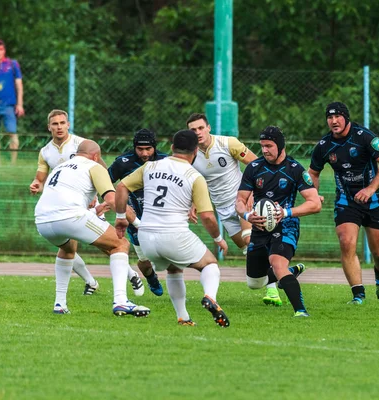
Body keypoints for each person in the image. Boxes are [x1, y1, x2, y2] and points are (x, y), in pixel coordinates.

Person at [115, 129, 230, 327]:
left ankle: (183, 317)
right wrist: (218, 238)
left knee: (174, 269)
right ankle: (210, 297)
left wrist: (120, 218)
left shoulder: (150, 166)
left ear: (171, 148)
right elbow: (208, 216)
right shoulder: (195, 176)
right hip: (173, 234)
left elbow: (121, 187)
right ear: (195, 151)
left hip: (146, 236)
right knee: (209, 264)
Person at [29, 109, 139, 296]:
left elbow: (101, 169)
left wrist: (99, 193)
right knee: (68, 246)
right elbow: (40, 178)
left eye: (62, 123)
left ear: (68, 124)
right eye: (55, 124)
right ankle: (91, 281)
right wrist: (36, 184)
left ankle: (131, 276)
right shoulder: (45, 151)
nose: (59, 127)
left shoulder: (82, 144)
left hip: (88, 201)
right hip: (63, 205)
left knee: (106, 243)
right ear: (49, 127)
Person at [34, 139, 150, 316]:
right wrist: (136, 223)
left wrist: (95, 210)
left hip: (42, 220)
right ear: (96, 156)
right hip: (69, 216)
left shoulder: (60, 167)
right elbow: (113, 199)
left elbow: (66, 198)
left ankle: (60, 304)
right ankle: (121, 301)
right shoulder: (94, 166)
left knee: (68, 248)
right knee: (120, 244)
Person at [186, 113, 291, 307]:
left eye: (201, 128)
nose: (198, 132)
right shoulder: (191, 154)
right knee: (249, 252)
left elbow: (256, 165)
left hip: (243, 201)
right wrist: (194, 204)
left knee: (251, 241)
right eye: (193, 130)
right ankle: (286, 272)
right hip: (223, 210)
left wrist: (252, 192)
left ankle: (272, 292)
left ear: (208, 127)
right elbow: (195, 181)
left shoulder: (227, 144)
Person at [308, 102, 379, 304]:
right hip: (346, 201)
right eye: (330, 117)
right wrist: (313, 194)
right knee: (346, 243)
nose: (333, 121)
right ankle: (358, 295)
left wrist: (371, 188)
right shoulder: (324, 145)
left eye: (338, 116)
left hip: (374, 200)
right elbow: (313, 172)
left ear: (346, 118)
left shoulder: (364, 136)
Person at [236, 126, 321, 317]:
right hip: (259, 227)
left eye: (269, 146)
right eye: (262, 146)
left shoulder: (295, 169)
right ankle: (289, 272)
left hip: (286, 226)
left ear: (280, 146)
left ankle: (300, 311)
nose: (264, 150)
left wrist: (286, 212)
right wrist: (248, 216)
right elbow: (240, 201)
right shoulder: (254, 168)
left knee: (276, 262)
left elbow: (315, 204)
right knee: (254, 283)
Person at [108, 129, 168, 296]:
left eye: (148, 149)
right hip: (135, 221)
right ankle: (150, 277)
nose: (144, 153)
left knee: (169, 255)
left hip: (161, 218)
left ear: (155, 147)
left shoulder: (166, 161)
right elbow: (105, 182)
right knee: (144, 262)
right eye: (140, 149)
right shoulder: (123, 162)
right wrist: (112, 201)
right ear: (134, 147)